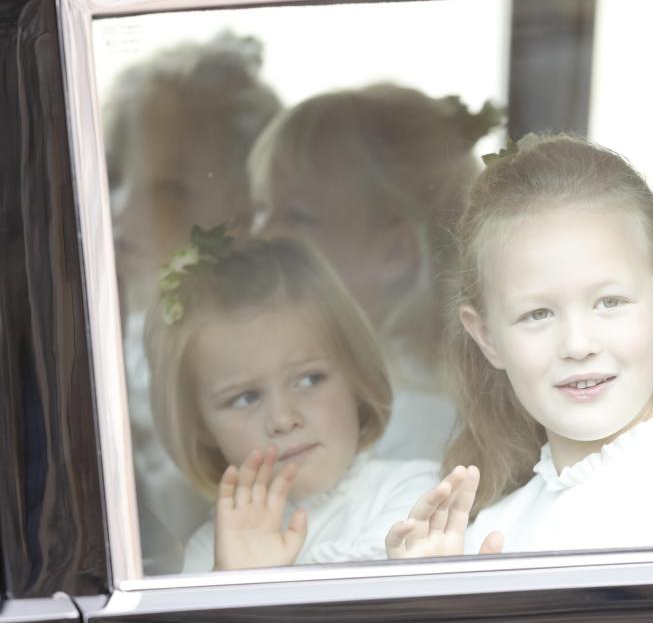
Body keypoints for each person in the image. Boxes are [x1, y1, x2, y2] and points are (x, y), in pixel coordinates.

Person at [386, 134, 653, 557]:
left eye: (610, 302)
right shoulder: (490, 528)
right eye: (538, 314)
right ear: (487, 337)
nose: (577, 344)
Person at [143, 230, 437, 571]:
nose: (283, 419)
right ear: (202, 429)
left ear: (356, 377)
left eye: (309, 379)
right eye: (244, 398)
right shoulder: (209, 552)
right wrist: (234, 583)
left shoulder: (413, 492)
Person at [102, 32, 283, 572]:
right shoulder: (117, 330)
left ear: (244, 217)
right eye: (112, 175)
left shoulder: (247, 361)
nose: (119, 209)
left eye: (168, 190)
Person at [247, 83, 501, 461]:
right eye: (262, 208)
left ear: (395, 252)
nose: (260, 237)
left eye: (297, 217)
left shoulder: (403, 419)